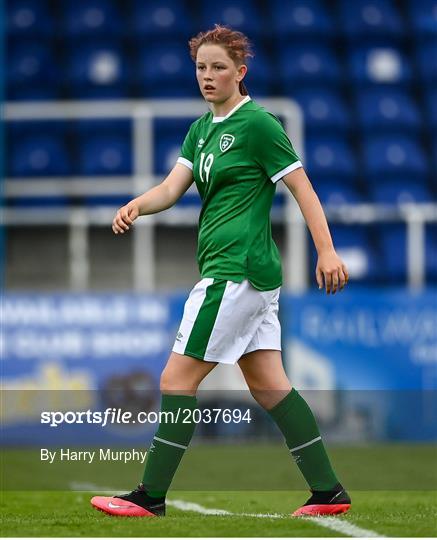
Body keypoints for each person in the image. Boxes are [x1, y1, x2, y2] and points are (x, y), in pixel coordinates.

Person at [91, 25, 351, 518]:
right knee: (271, 386)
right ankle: (329, 493)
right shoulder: (200, 130)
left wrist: (327, 252)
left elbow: (304, 189)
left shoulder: (259, 124)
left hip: (236, 272)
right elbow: (170, 190)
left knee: (176, 379)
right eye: (201, 68)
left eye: (218, 68)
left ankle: (150, 497)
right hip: (241, 274)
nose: (208, 77)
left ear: (240, 73)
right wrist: (136, 206)